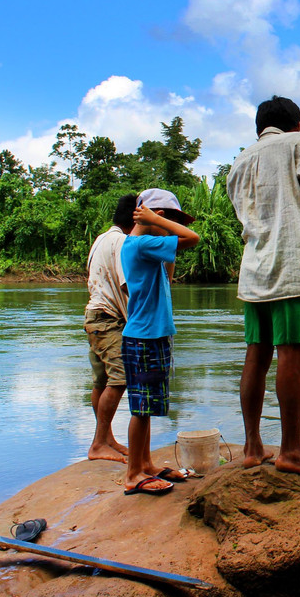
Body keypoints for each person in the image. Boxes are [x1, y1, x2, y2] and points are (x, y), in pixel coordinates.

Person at [227, 95, 300, 479]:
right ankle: (291, 450)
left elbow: (260, 217)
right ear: (296, 124)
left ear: (260, 127)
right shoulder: (297, 144)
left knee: (256, 355)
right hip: (292, 271)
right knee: (293, 355)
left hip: (256, 270)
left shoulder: (241, 159)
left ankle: (251, 446)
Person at [119, 188, 200, 496]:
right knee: (141, 409)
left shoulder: (147, 247)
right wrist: (158, 222)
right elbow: (192, 238)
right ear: (157, 217)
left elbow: (169, 272)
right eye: (168, 220)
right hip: (144, 336)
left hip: (151, 334)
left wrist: (160, 225)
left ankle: (145, 463)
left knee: (148, 406)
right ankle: (133, 474)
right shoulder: (141, 243)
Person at [83, 193, 136, 463]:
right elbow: (126, 285)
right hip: (109, 319)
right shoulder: (122, 242)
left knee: (101, 380)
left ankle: (106, 439)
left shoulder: (101, 238)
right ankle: (98, 443)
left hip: (94, 316)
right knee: (121, 378)